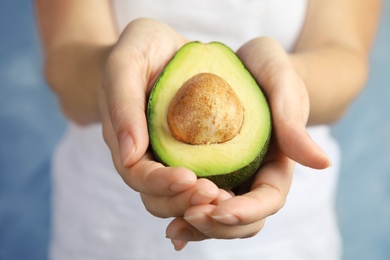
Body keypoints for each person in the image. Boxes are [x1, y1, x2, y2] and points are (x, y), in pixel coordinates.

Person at [35, 0, 380, 259]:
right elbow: (65, 63)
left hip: (290, 222)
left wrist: (291, 83)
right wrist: (116, 75)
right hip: (105, 220)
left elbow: (345, 56)